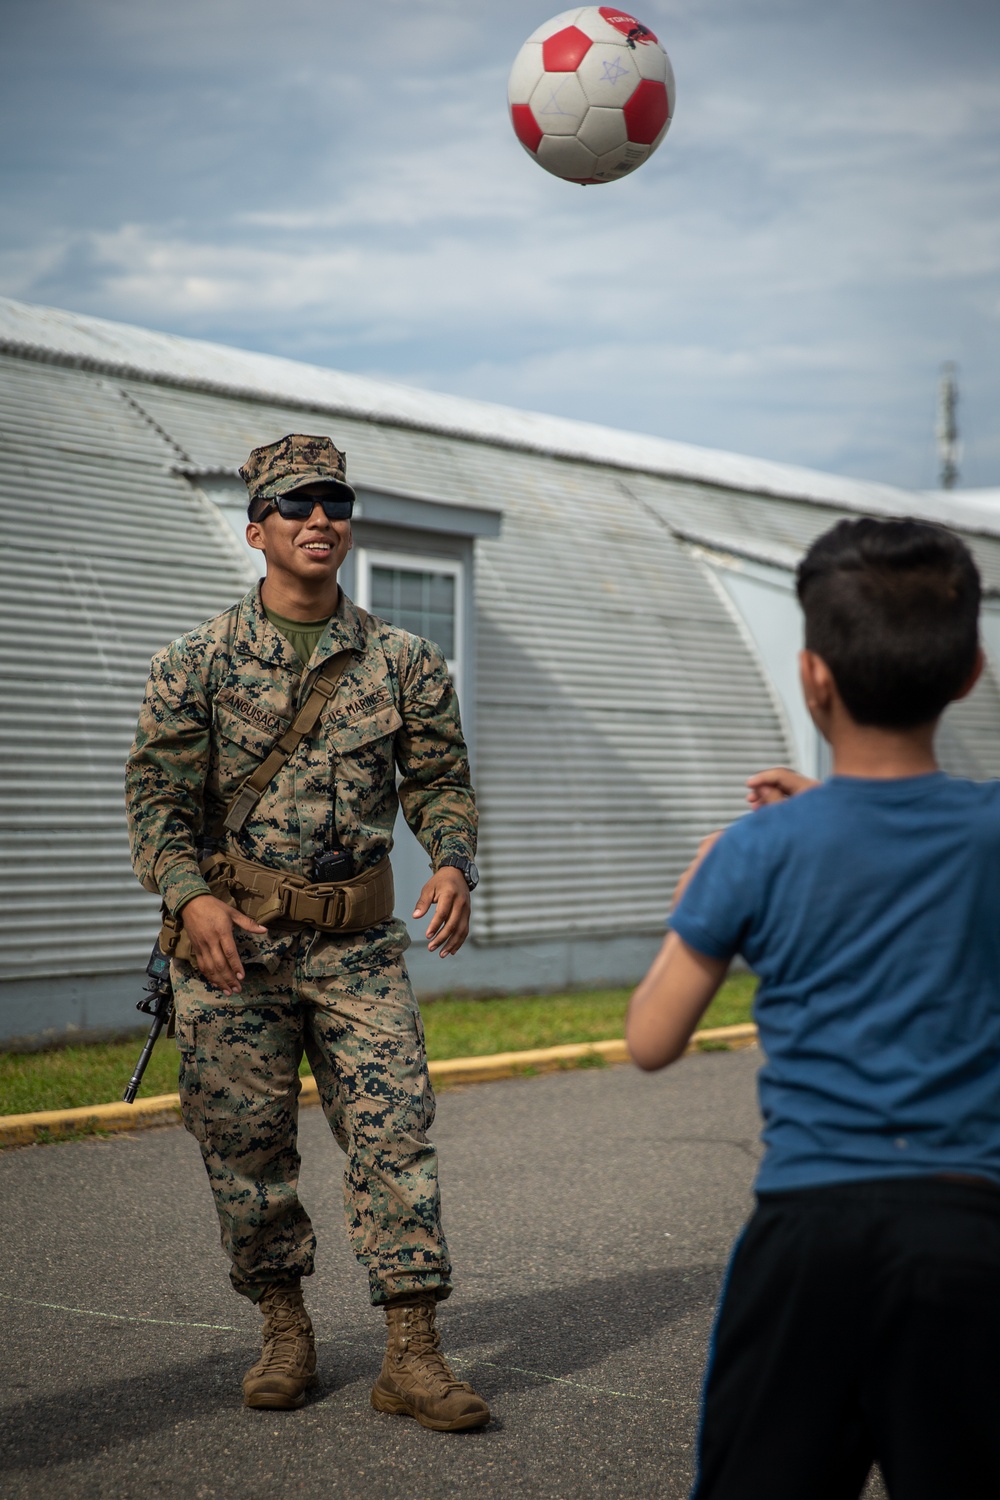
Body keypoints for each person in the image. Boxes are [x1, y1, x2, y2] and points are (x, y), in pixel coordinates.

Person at [626, 517, 1000, 1499]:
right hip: (972, 1239)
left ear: (810, 678)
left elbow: (651, 1039)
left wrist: (725, 872)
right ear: (968, 673)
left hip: (808, 1241)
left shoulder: (755, 850)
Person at [125, 432, 490, 1431]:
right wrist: (191, 898)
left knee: (395, 1137)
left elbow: (442, 782)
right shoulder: (192, 664)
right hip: (230, 948)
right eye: (295, 505)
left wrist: (453, 859)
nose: (319, 517)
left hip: (357, 946)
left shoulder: (405, 663)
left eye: (333, 500)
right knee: (246, 1147)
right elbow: (156, 798)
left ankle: (412, 1357)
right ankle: (284, 1328)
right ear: (257, 532)